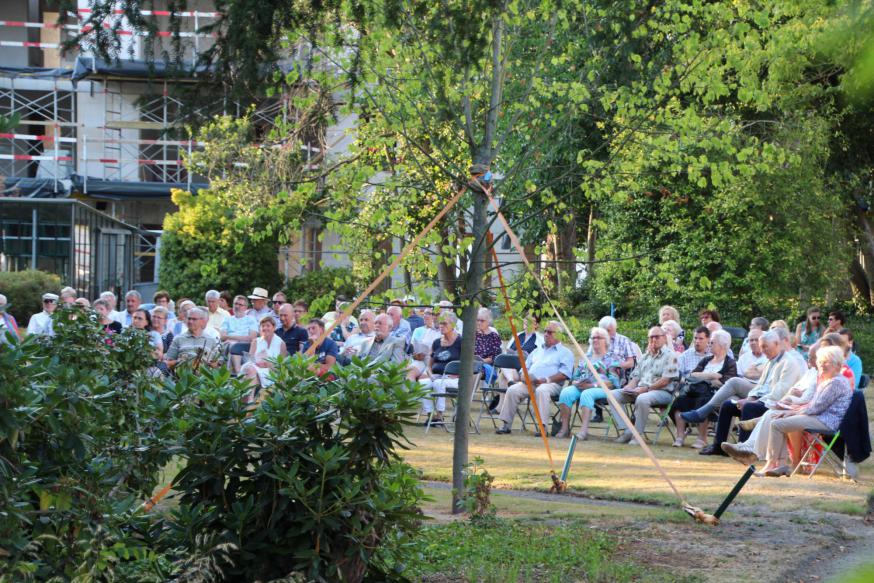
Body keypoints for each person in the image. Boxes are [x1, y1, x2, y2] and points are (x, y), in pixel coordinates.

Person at [692, 328, 805, 456]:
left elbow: (780, 392)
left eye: (765, 347)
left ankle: (744, 449)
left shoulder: (788, 363)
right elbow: (760, 386)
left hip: (776, 404)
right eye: (762, 347)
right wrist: (749, 398)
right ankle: (719, 446)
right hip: (762, 399)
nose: (763, 350)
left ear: (777, 344)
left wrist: (753, 401)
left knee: (749, 407)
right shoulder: (771, 361)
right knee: (728, 405)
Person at [744, 346, 852, 477]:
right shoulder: (827, 380)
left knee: (777, 424)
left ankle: (772, 464)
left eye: (826, 362)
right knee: (778, 419)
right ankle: (780, 463)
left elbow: (815, 408)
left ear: (837, 365)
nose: (822, 365)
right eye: (820, 361)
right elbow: (813, 405)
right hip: (819, 417)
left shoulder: (836, 383)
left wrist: (791, 413)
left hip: (826, 421)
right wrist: (790, 410)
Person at [495, 321, 574, 436]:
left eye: (550, 332)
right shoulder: (537, 351)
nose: (546, 334)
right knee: (513, 389)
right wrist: (524, 377)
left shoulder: (565, 353)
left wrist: (545, 380)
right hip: (530, 383)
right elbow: (524, 369)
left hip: (551, 384)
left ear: (559, 335)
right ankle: (506, 425)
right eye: (545, 331)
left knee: (542, 390)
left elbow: (565, 374)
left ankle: (543, 428)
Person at [609, 326, 680, 444]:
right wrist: (629, 387)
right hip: (640, 390)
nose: (653, 340)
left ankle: (637, 436)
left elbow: (665, 381)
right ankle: (627, 430)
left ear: (664, 338)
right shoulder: (645, 357)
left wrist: (646, 389)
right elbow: (635, 376)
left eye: (657, 337)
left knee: (643, 398)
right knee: (613, 395)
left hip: (662, 392)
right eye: (651, 337)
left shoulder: (670, 356)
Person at [672, 330, 737, 448]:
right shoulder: (706, 360)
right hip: (696, 390)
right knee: (679, 401)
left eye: (712, 343)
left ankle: (702, 438)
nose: (709, 345)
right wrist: (711, 376)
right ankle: (680, 436)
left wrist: (704, 377)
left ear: (722, 345)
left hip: (715, 394)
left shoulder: (730, 363)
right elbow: (692, 375)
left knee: (704, 401)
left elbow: (725, 383)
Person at [555, 327, 622, 439]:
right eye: (593, 338)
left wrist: (593, 385)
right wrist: (577, 383)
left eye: (598, 338)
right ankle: (564, 428)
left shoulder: (612, 358)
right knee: (566, 392)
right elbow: (575, 377)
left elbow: (614, 382)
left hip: (602, 388)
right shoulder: (586, 358)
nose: (595, 340)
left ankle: (583, 431)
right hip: (581, 386)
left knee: (588, 393)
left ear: (605, 340)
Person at [419, 312, 464, 425]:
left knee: (439, 383)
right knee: (423, 383)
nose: (441, 326)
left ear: (453, 324)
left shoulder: (461, 342)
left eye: (444, 323)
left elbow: (467, 364)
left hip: (455, 379)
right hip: (437, 376)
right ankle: (430, 415)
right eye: (439, 323)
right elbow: (429, 365)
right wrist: (430, 375)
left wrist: (458, 374)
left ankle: (440, 415)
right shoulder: (436, 342)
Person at [241, 315, 288, 394]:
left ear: (274, 327)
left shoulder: (281, 343)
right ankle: (250, 399)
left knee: (251, 373)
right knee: (250, 370)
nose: (265, 328)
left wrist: (268, 364)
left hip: (271, 372)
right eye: (263, 326)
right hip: (255, 369)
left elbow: (282, 367)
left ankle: (248, 400)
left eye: (268, 326)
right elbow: (250, 360)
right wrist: (257, 362)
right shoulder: (255, 341)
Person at [497, 313, 544, 387]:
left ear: (536, 325)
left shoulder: (540, 340)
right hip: (511, 368)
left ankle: (510, 384)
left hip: (525, 372)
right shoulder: (517, 336)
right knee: (504, 367)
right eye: (526, 320)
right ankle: (510, 383)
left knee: (504, 375)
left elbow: (539, 360)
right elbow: (506, 354)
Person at [221, 296, 259, 374]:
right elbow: (222, 336)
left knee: (233, 346)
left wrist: (231, 338)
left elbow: (252, 337)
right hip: (227, 346)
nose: (237, 306)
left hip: (245, 346)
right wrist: (239, 338)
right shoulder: (227, 319)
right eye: (236, 304)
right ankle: (238, 374)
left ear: (246, 307)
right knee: (230, 346)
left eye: (240, 305)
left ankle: (235, 374)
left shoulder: (251, 319)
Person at [408, 308, 441, 381]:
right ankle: (410, 392)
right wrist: (416, 355)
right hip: (422, 360)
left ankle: (418, 391)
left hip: (433, 362)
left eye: (437, 315)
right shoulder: (429, 331)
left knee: (422, 379)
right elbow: (417, 347)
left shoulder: (445, 332)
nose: (435, 317)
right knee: (409, 372)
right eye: (433, 315)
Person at [474, 307, 503, 384]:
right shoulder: (472, 335)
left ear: (488, 321)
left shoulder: (494, 336)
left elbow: (494, 357)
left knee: (476, 370)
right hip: (471, 364)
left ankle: (469, 394)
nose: (479, 322)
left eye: (482, 320)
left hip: (486, 365)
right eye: (478, 320)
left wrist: (482, 361)